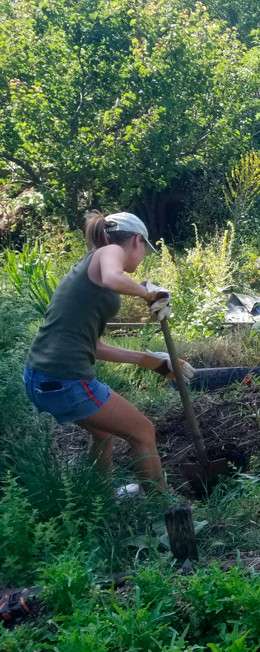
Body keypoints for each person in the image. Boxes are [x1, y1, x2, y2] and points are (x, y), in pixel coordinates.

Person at [23, 211, 194, 494]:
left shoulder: (91, 270)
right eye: (145, 250)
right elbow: (115, 279)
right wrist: (149, 293)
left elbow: (94, 345)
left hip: (39, 378)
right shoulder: (108, 252)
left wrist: (151, 361)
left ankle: (100, 498)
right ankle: (163, 510)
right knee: (143, 432)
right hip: (66, 381)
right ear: (137, 240)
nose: (142, 259)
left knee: (103, 434)